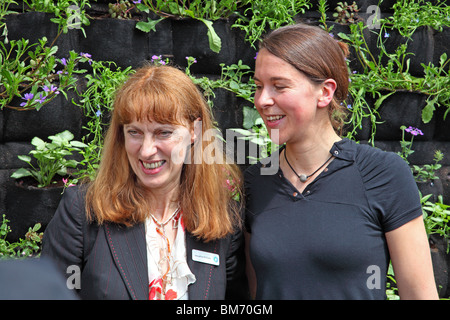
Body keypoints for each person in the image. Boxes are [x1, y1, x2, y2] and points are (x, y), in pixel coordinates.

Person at [244, 23, 438, 300]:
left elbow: (419, 296)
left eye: (279, 86)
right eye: (259, 86)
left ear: (325, 92)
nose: (262, 100)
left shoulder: (383, 174)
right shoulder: (255, 181)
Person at [42, 64, 248, 300]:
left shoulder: (222, 219)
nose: (147, 150)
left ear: (195, 131)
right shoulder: (83, 212)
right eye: (135, 132)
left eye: (163, 133)